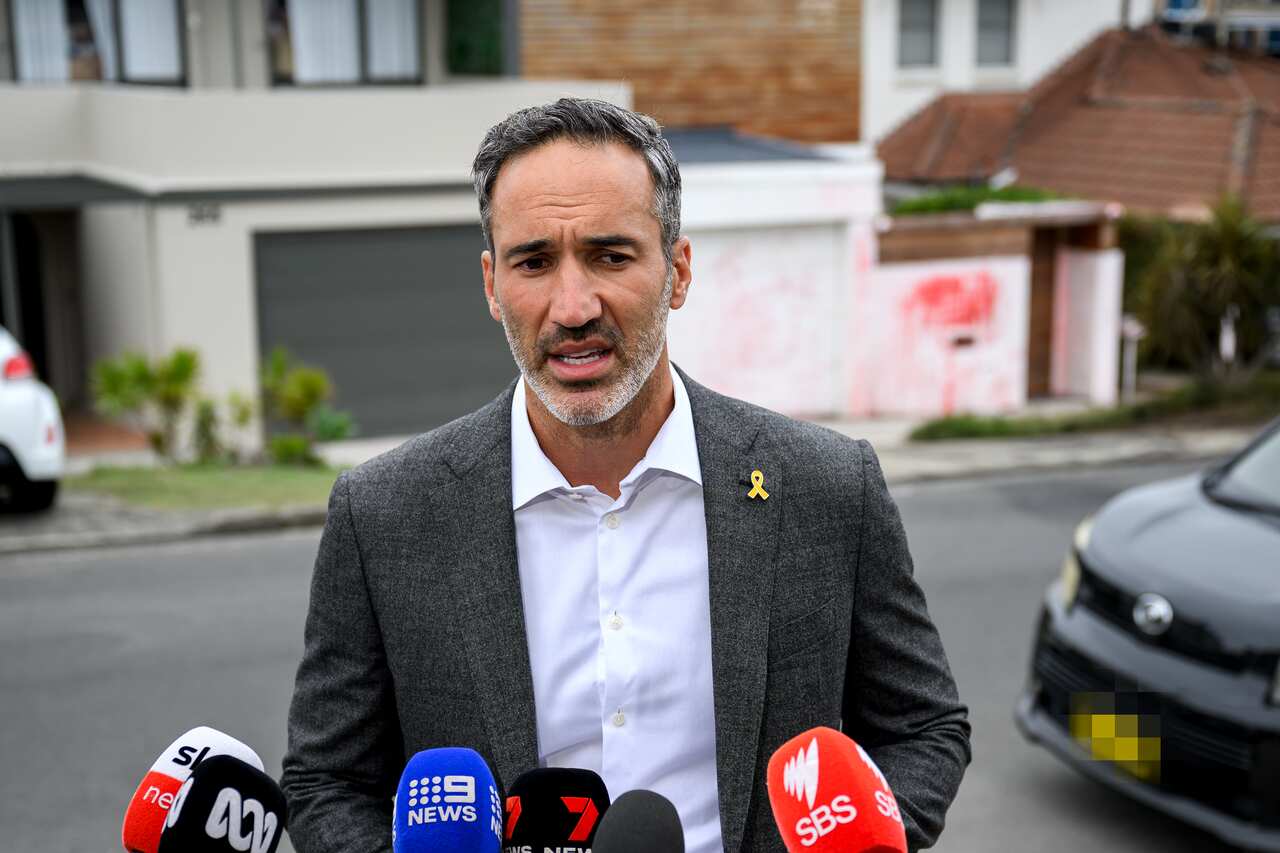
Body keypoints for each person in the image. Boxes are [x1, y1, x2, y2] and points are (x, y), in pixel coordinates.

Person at [281, 98, 970, 853]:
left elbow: (924, 727)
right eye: (534, 261)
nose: (572, 307)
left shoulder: (828, 486)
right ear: (490, 283)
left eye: (611, 255)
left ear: (677, 270)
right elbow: (327, 783)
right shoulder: (383, 514)